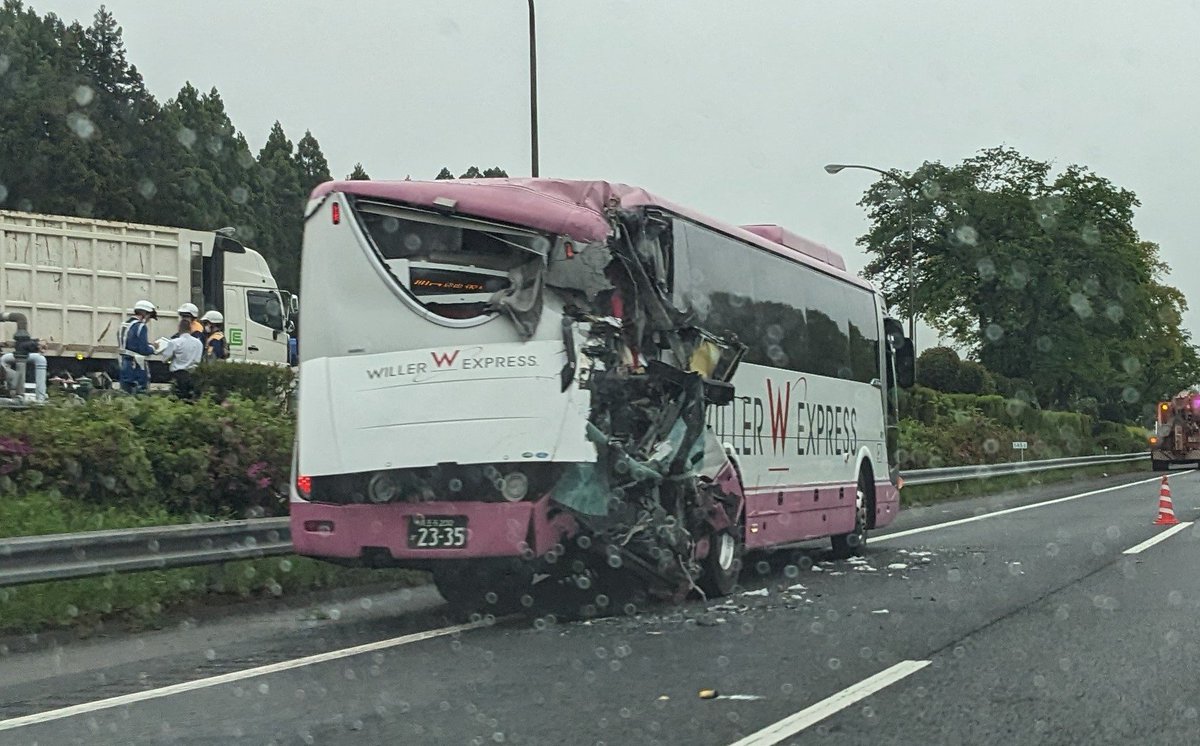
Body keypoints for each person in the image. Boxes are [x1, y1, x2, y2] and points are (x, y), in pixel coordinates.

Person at [154, 318, 203, 399]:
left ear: (179, 328)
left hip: (178, 374)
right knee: (192, 399)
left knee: (178, 398)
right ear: (190, 329)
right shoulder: (198, 343)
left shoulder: (174, 342)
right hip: (194, 375)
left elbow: (164, 359)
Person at [117, 300, 156, 394]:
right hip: (137, 365)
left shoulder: (123, 325)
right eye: (149, 316)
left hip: (124, 363)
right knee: (140, 392)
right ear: (145, 314)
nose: (149, 319)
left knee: (125, 392)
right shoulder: (141, 327)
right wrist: (153, 348)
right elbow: (143, 350)